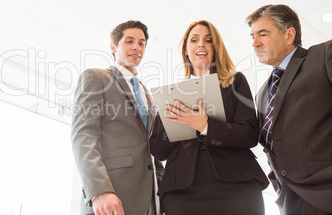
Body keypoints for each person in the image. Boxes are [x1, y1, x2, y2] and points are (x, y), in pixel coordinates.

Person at [150, 20, 269, 214]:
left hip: (235, 184)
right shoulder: (170, 94)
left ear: (216, 48)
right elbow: (159, 150)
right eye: (194, 40)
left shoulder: (235, 82)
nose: (201, 45)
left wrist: (206, 126)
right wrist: (173, 119)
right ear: (186, 50)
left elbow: (250, 133)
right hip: (181, 189)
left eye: (208, 40)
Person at [71, 20, 164, 215]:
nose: (136, 47)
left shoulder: (148, 94)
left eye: (141, 43)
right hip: (110, 198)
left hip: (149, 202)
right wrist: (99, 190)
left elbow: (151, 149)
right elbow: (83, 136)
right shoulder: (97, 77)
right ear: (113, 47)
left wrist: (163, 195)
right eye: (129, 41)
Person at [246, 4, 332, 214]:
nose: (255, 43)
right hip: (289, 200)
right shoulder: (261, 94)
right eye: (252, 36)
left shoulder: (323, 55)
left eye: (262, 34)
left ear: (289, 34)